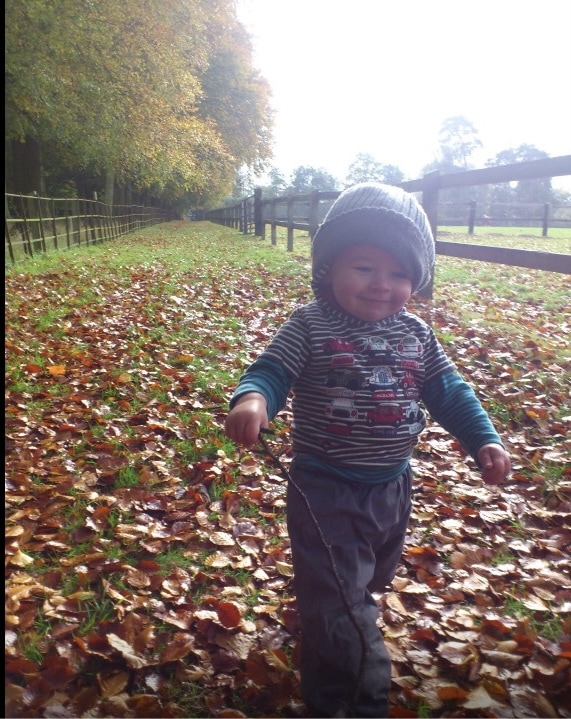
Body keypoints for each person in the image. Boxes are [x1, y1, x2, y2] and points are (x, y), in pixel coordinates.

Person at [224, 182, 511, 718]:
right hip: (325, 489)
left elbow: (449, 391)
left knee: (367, 582)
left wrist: (484, 438)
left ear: (416, 280)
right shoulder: (310, 325)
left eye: (399, 273)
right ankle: (352, 701)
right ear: (329, 266)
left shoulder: (417, 335)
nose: (382, 285)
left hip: (391, 488)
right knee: (344, 606)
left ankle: (329, 617)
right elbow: (271, 370)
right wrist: (255, 399)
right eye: (364, 267)